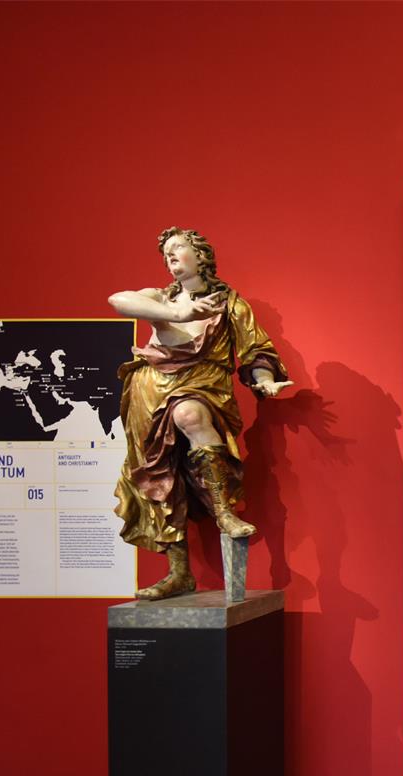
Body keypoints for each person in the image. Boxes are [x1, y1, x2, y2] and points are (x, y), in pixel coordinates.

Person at [108, 228, 292, 600]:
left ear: (201, 255)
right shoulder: (161, 298)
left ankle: (223, 512)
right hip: (149, 390)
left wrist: (264, 381)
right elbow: (118, 299)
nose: (170, 256)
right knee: (159, 477)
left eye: (178, 248)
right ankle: (179, 572)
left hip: (202, 383)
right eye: (166, 253)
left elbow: (256, 350)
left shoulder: (229, 304)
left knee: (190, 415)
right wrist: (176, 312)